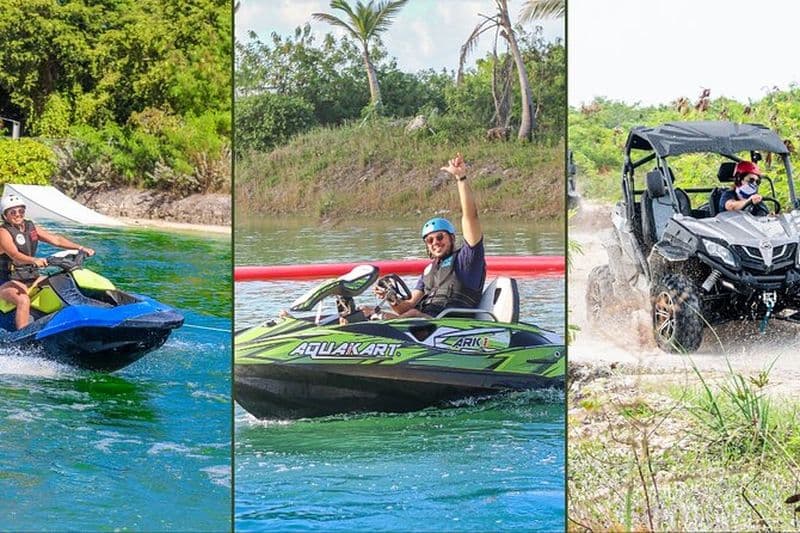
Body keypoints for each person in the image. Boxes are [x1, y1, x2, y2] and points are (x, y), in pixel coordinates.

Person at [362, 152, 486, 319]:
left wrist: (461, 178)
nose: (435, 242)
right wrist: (391, 298)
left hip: (452, 324)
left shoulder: (467, 260)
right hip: (422, 322)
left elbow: (471, 217)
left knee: (413, 315)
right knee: (363, 311)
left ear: (451, 238)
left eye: (440, 237)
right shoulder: (429, 271)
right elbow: (406, 308)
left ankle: (379, 323)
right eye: (429, 240)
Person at [0, 195, 95, 330]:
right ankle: (23, 335)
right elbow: (14, 255)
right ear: (5, 216)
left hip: (30, 277)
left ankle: (79, 314)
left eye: (21, 211)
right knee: (23, 300)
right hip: (7, 281)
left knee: (60, 281)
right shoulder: (3, 232)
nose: (18, 214)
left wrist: (80, 248)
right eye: (13, 212)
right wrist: (34, 260)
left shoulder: (30, 227)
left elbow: (56, 240)